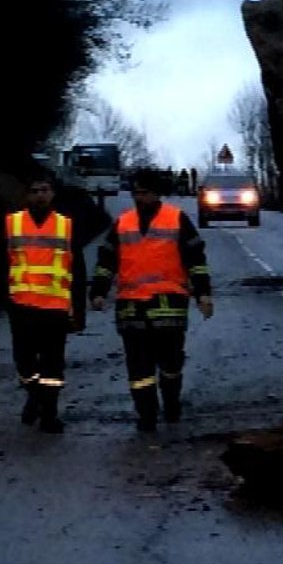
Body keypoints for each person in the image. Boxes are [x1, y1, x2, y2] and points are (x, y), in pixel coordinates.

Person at [90, 167, 214, 432]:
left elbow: (196, 259)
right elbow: (106, 260)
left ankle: (171, 402)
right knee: (138, 366)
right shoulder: (123, 223)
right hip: (131, 306)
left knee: (170, 362)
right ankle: (146, 415)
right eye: (135, 192)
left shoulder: (176, 219)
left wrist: (203, 293)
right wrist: (98, 291)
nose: (138, 197)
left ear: (156, 193)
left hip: (168, 305)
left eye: (144, 193)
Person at [4, 168, 88, 433]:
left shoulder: (66, 226)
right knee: (25, 363)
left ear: (52, 193)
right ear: (27, 195)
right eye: (34, 191)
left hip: (55, 309)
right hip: (22, 307)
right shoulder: (12, 223)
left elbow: (78, 271)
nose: (40, 196)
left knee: (52, 365)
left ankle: (49, 415)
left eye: (44, 190)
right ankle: (35, 396)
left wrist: (79, 312)